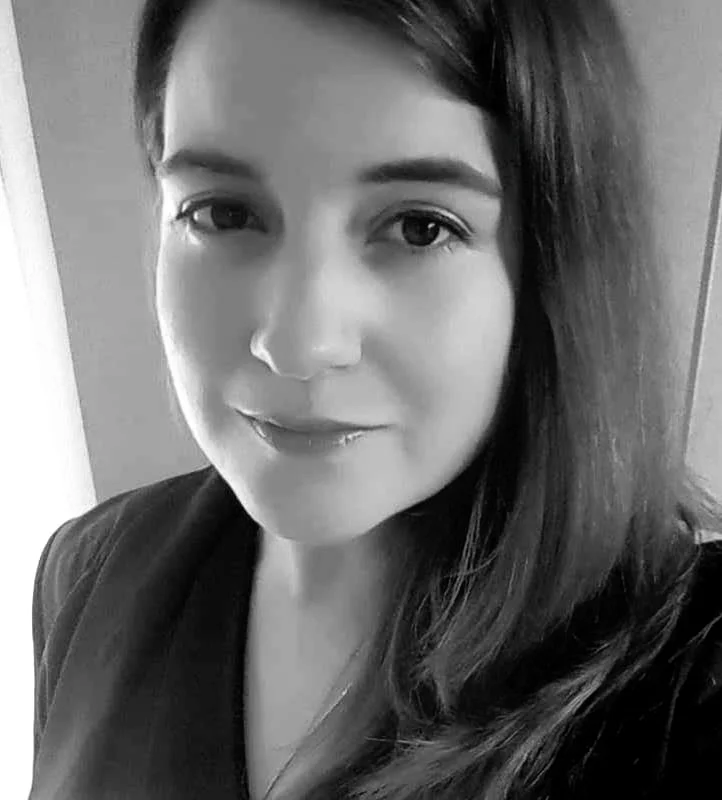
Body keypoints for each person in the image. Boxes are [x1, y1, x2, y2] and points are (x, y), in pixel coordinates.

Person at [29, 0, 722, 798]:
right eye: (223, 213)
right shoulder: (86, 574)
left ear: (554, 261)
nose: (297, 342)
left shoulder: (690, 677)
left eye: (420, 227)